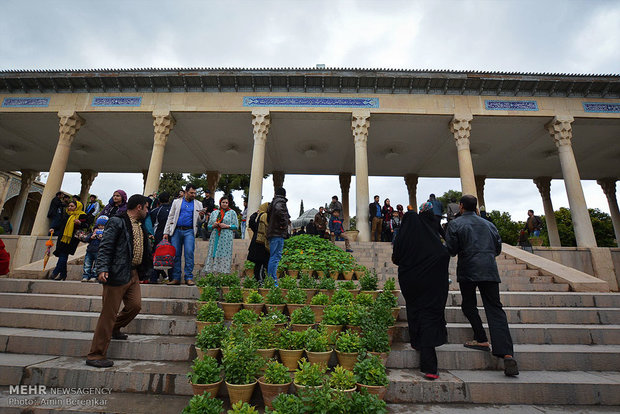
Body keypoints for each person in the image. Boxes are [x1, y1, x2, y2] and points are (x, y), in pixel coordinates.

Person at [445, 195, 519, 377]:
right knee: (495, 309)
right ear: (475, 207)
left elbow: (451, 250)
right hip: (489, 269)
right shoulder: (489, 224)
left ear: (461, 206)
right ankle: (507, 354)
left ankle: (481, 338)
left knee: (469, 305)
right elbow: (498, 248)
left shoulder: (456, 224)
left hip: (469, 269)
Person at [86, 194, 152, 368]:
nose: (147, 210)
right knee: (108, 314)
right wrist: (102, 268)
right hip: (116, 273)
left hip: (133, 273)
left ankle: (114, 328)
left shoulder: (140, 225)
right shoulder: (117, 221)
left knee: (135, 306)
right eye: (146, 207)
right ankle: (96, 354)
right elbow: (106, 246)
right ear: (139, 207)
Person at [392, 201, 449, 380]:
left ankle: (416, 341)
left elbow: (396, 258)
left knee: (414, 308)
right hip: (432, 284)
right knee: (428, 316)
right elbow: (443, 254)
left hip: (410, 282)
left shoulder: (404, 238)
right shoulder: (430, 238)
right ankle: (430, 366)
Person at [163, 184, 205, 285]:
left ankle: (188, 277)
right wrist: (166, 232)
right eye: (191, 193)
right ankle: (176, 277)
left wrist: (202, 216)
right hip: (176, 230)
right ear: (186, 192)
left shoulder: (198, 204)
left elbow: (201, 221)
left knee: (189, 253)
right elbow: (171, 216)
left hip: (189, 231)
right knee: (176, 254)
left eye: (195, 193)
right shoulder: (176, 202)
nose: (193, 195)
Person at [49, 200, 88, 281]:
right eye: (69, 206)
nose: (70, 208)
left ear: (77, 207)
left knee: (63, 254)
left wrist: (80, 223)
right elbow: (60, 224)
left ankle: (55, 272)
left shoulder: (82, 215)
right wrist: (53, 228)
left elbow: (86, 225)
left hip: (72, 239)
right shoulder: (66, 214)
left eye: (72, 206)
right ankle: (63, 274)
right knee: (62, 255)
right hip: (63, 237)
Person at [203, 197, 238, 274]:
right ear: (220, 203)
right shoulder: (214, 213)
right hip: (215, 235)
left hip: (226, 237)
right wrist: (213, 225)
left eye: (226, 203)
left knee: (224, 255)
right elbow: (208, 227)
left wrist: (227, 226)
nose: (225, 204)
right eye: (223, 202)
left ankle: (223, 273)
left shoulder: (232, 213)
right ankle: (212, 273)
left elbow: (236, 226)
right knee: (213, 253)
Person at [266, 187, 290, 284]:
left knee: (273, 256)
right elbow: (280, 211)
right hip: (278, 233)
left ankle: (271, 280)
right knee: (275, 257)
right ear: (284, 194)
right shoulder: (280, 202)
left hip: (273, 233)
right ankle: (273, 281)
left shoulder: (273, 202)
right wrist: (283, 224)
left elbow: (269, 216)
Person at [148, 192, 172, 283]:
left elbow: (151, 223)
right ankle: (172, 277)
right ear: (169, 200)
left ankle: (154, 278)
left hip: (158, 235)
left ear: (159, 200)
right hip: (170, 235)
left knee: (156, 256)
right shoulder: (172, 210)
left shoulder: (155, 211)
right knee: (171, 256)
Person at [247, 202, 270, 283]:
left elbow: (252, 225)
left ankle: (258, 280)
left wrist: (254, 214)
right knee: (263, 263)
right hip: (262, 244)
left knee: (258, 264)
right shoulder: (266, 216)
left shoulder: (259, 216)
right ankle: (261, 280)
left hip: (256, 242)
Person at [81, 215, 108, 282]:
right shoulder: (93, 232)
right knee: (87, 264)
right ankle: (86, 276)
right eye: (99, 225)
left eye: (103, 226)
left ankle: (94, 276)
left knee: (96, 265)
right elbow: (86, 239)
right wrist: (91, 237)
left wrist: (102, 237)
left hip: (99, 252)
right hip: (90, 251)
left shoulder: (106, 233)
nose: (101, 227)